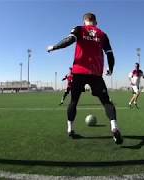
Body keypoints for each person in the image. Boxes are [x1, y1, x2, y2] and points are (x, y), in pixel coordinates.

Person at [47, 13, 123, 144]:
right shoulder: (102, 34)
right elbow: (110, 54)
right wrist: (111, 68)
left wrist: (54, 47)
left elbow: (69, 40)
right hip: (96, 73)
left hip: (78, 72)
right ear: (96, 22)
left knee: (73, 102)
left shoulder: (79, 29)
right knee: (106, 102)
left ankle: (70, 129)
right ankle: (114, 127)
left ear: (84, 21)